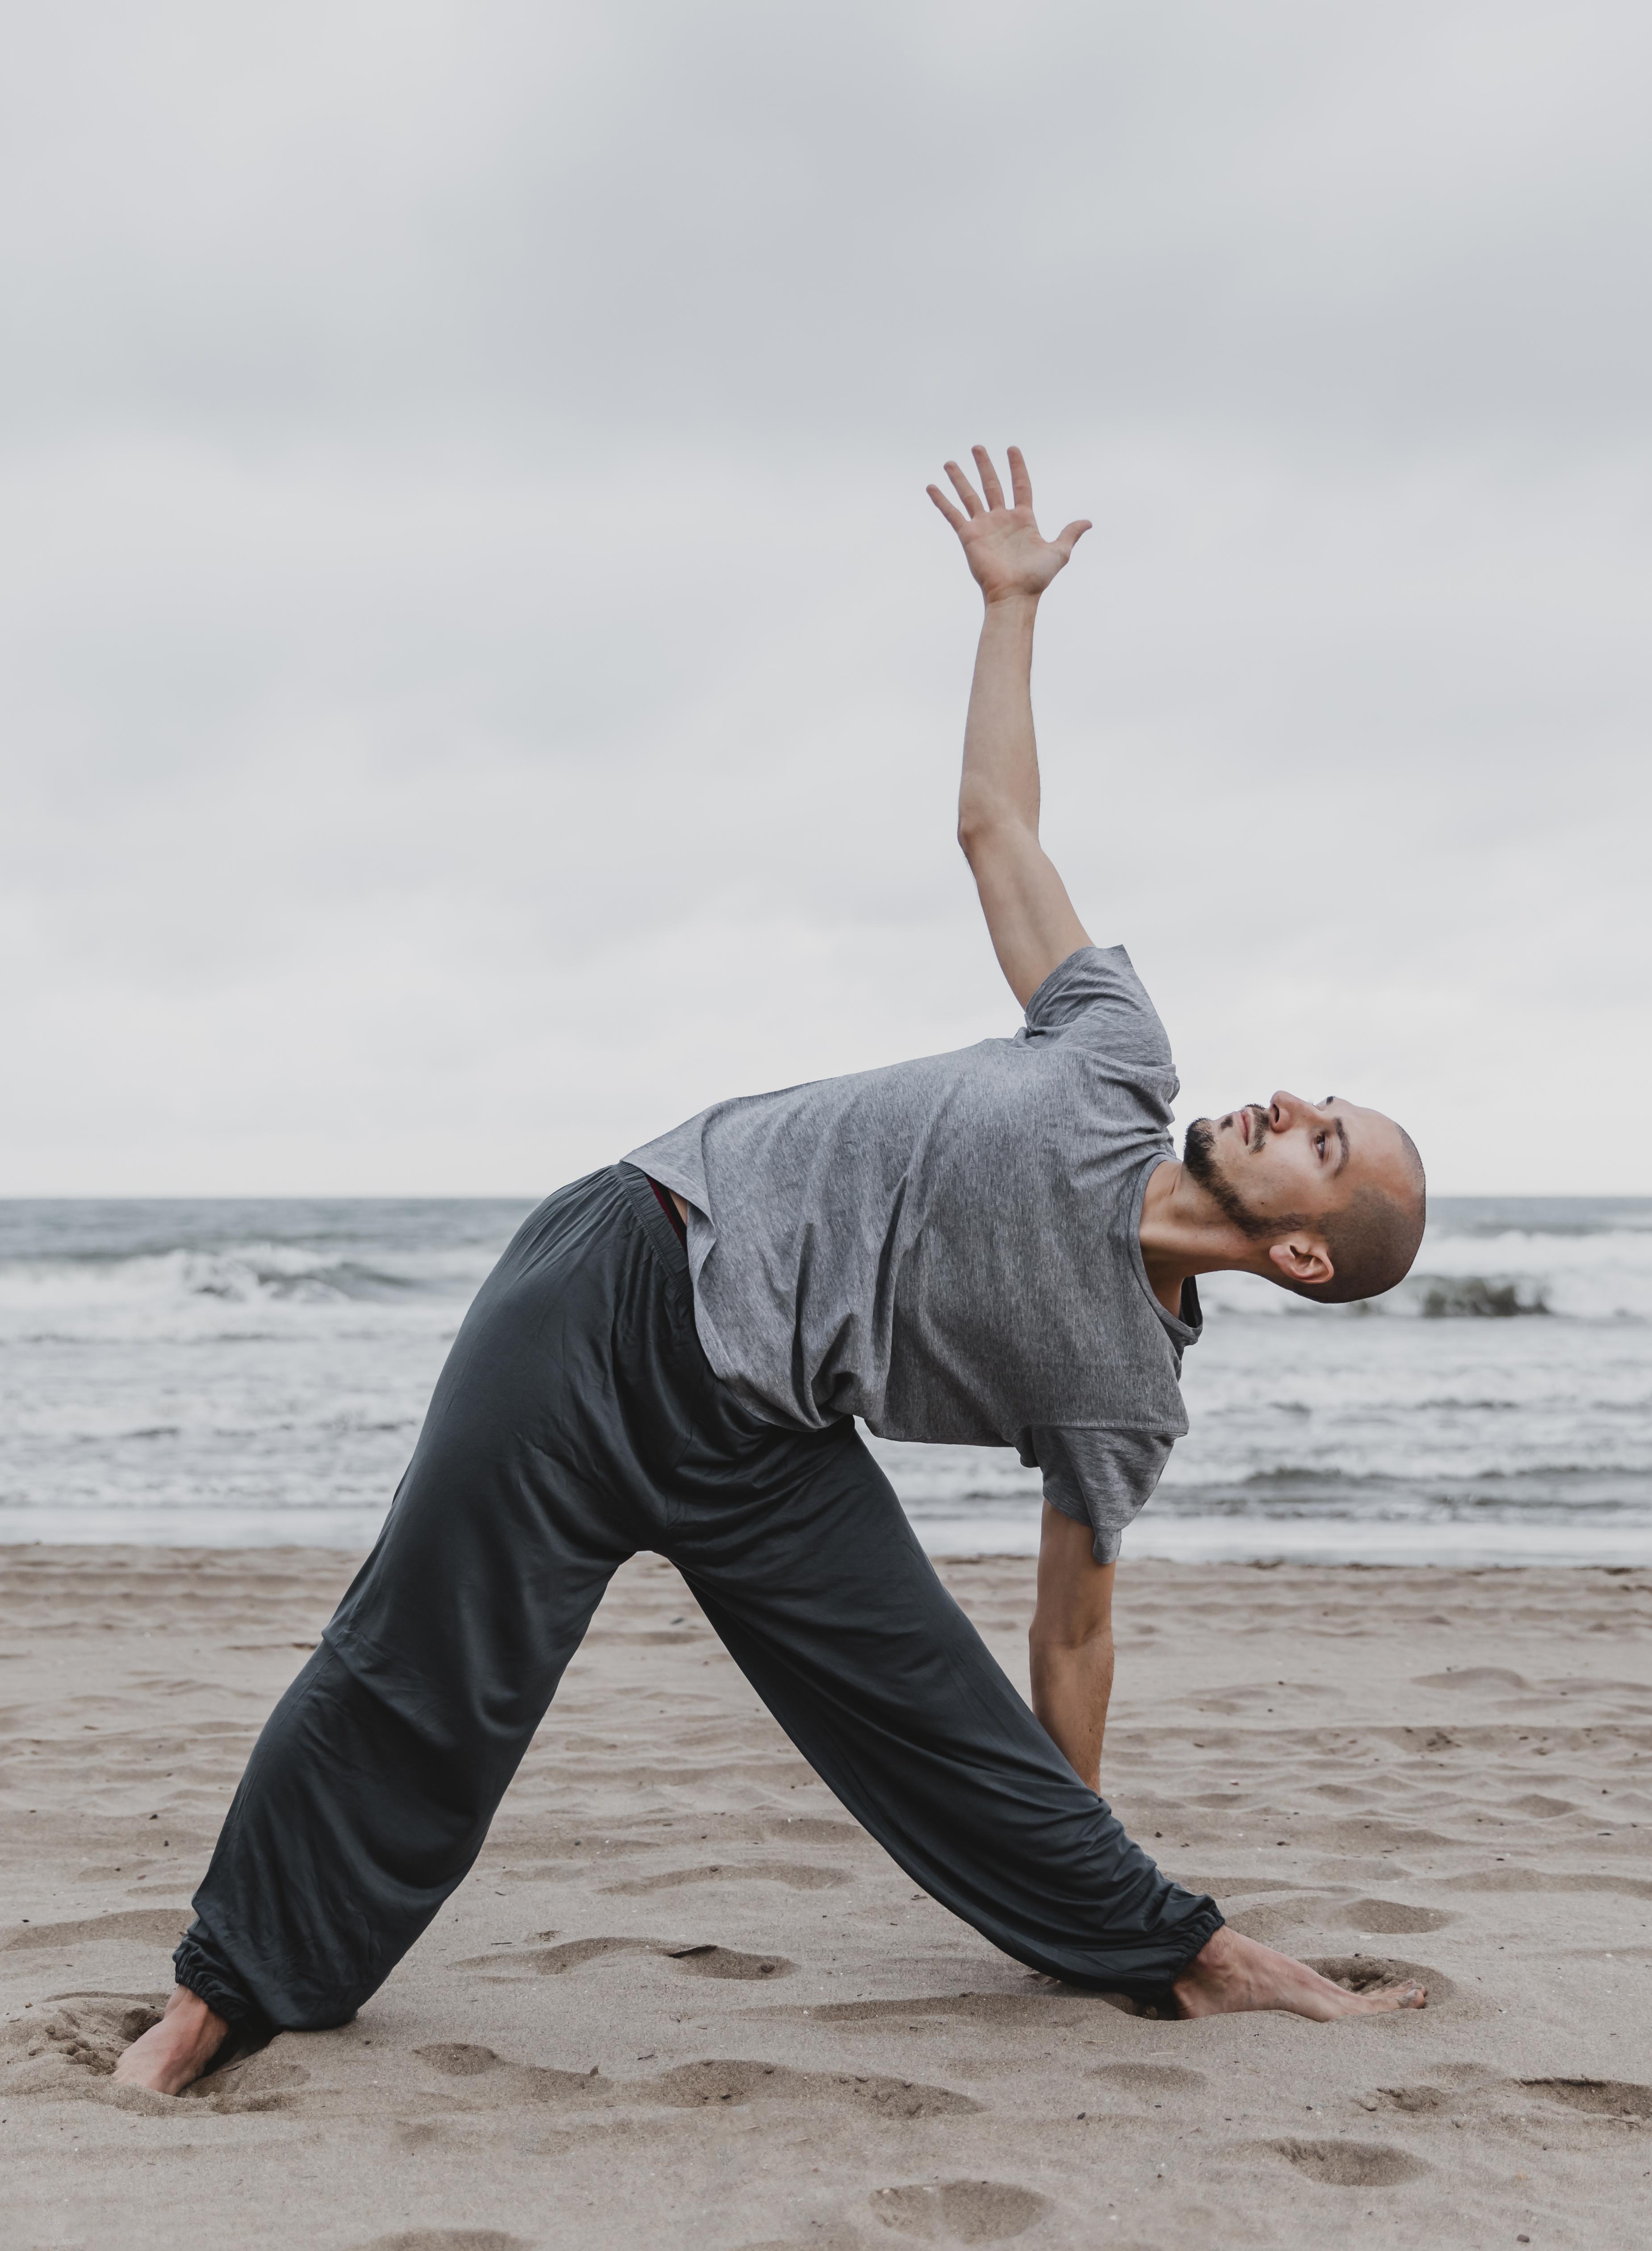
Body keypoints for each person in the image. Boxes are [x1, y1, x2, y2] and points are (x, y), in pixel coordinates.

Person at [117, 447, 1428, 2095]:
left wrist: (1073, 1866)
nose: (1293, 1102)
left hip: (762, 1444)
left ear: (1303, 1250)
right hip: (616, 1290)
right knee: (423, 1673)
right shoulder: (1113, 1054)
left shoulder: (1125, 1392)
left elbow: (1070, 1638)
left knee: (938, 1716)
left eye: (1325, 1137)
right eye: (1316, 1097)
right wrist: (1009, 610)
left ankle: (1176, 1955)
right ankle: (219, 1999)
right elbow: (991, 822)